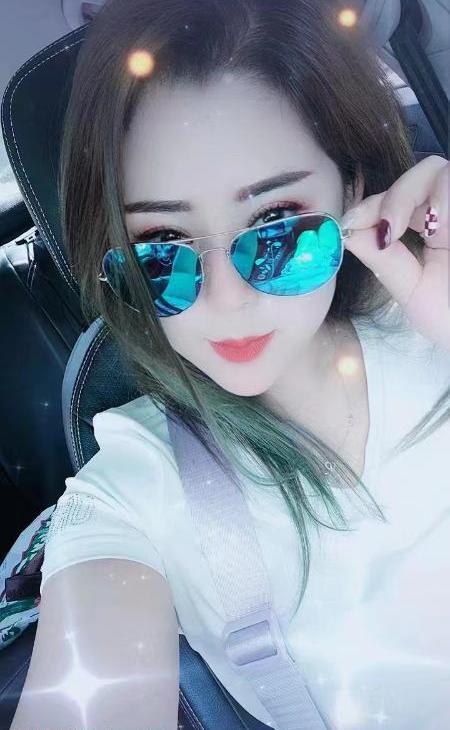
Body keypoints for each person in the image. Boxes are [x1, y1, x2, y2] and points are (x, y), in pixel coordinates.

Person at [10, 1, 449, 729]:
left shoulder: (430, 327)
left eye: (275, 226)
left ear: (349, 189)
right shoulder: (133, 490)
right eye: (161, 248)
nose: (227, 299)